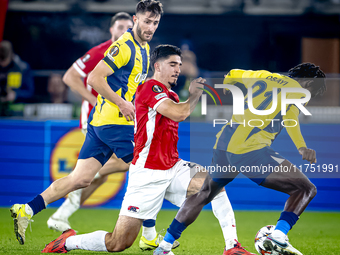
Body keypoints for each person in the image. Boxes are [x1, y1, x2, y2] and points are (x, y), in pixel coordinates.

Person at [41, 44, 254, 254]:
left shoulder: (170, 94)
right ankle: (67, 243)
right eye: (172, 64)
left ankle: (232, 247)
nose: (177, 69)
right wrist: (195, 95)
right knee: (118, 243)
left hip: (173, 167)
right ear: (157, 66)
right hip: (147, 173)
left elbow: (177, 112)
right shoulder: (149, 88)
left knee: (214, 185)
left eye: (179, 64)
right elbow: (179, 114)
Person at [10, 0, 163, 249]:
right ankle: (149, 232)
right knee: (149, 167)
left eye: (155, 23)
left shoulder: (145, 48)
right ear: (136, 20)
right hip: (115, 124)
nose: (151, 27)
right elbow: (93, 77)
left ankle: (27, 209)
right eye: (147, 21)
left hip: (101, 124)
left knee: (79, 179)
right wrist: (123, 104)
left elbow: (133, 87)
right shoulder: (124, 46)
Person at [155, 63, 326, 255]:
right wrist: (302, 146)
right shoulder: (297, 91)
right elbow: (291, 119)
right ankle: (278, 235)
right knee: (306, 188)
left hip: (224, 143)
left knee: (204, 193)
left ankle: (164, 246)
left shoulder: (263, 75)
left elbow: (232, 74)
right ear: (309, 83)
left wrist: (228, 84)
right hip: (249, 148)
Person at [47, 11, 133, 233]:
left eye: (128, 27)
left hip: (114, 120)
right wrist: (95, 100)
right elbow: (69, 77)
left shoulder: (131, 53)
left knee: (105, 173)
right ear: (111, 30)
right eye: (120, 27)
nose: (124, 31)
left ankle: (61, 214)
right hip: (96, 119)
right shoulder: (101, 52)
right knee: (124, 162)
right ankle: (67, 198)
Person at [0, 40, 34, 115]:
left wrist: (16, 95)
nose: (2, 63)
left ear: (11, 55)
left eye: (4, 60)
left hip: (16, 114)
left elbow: (30, 92)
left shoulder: (22, 68)